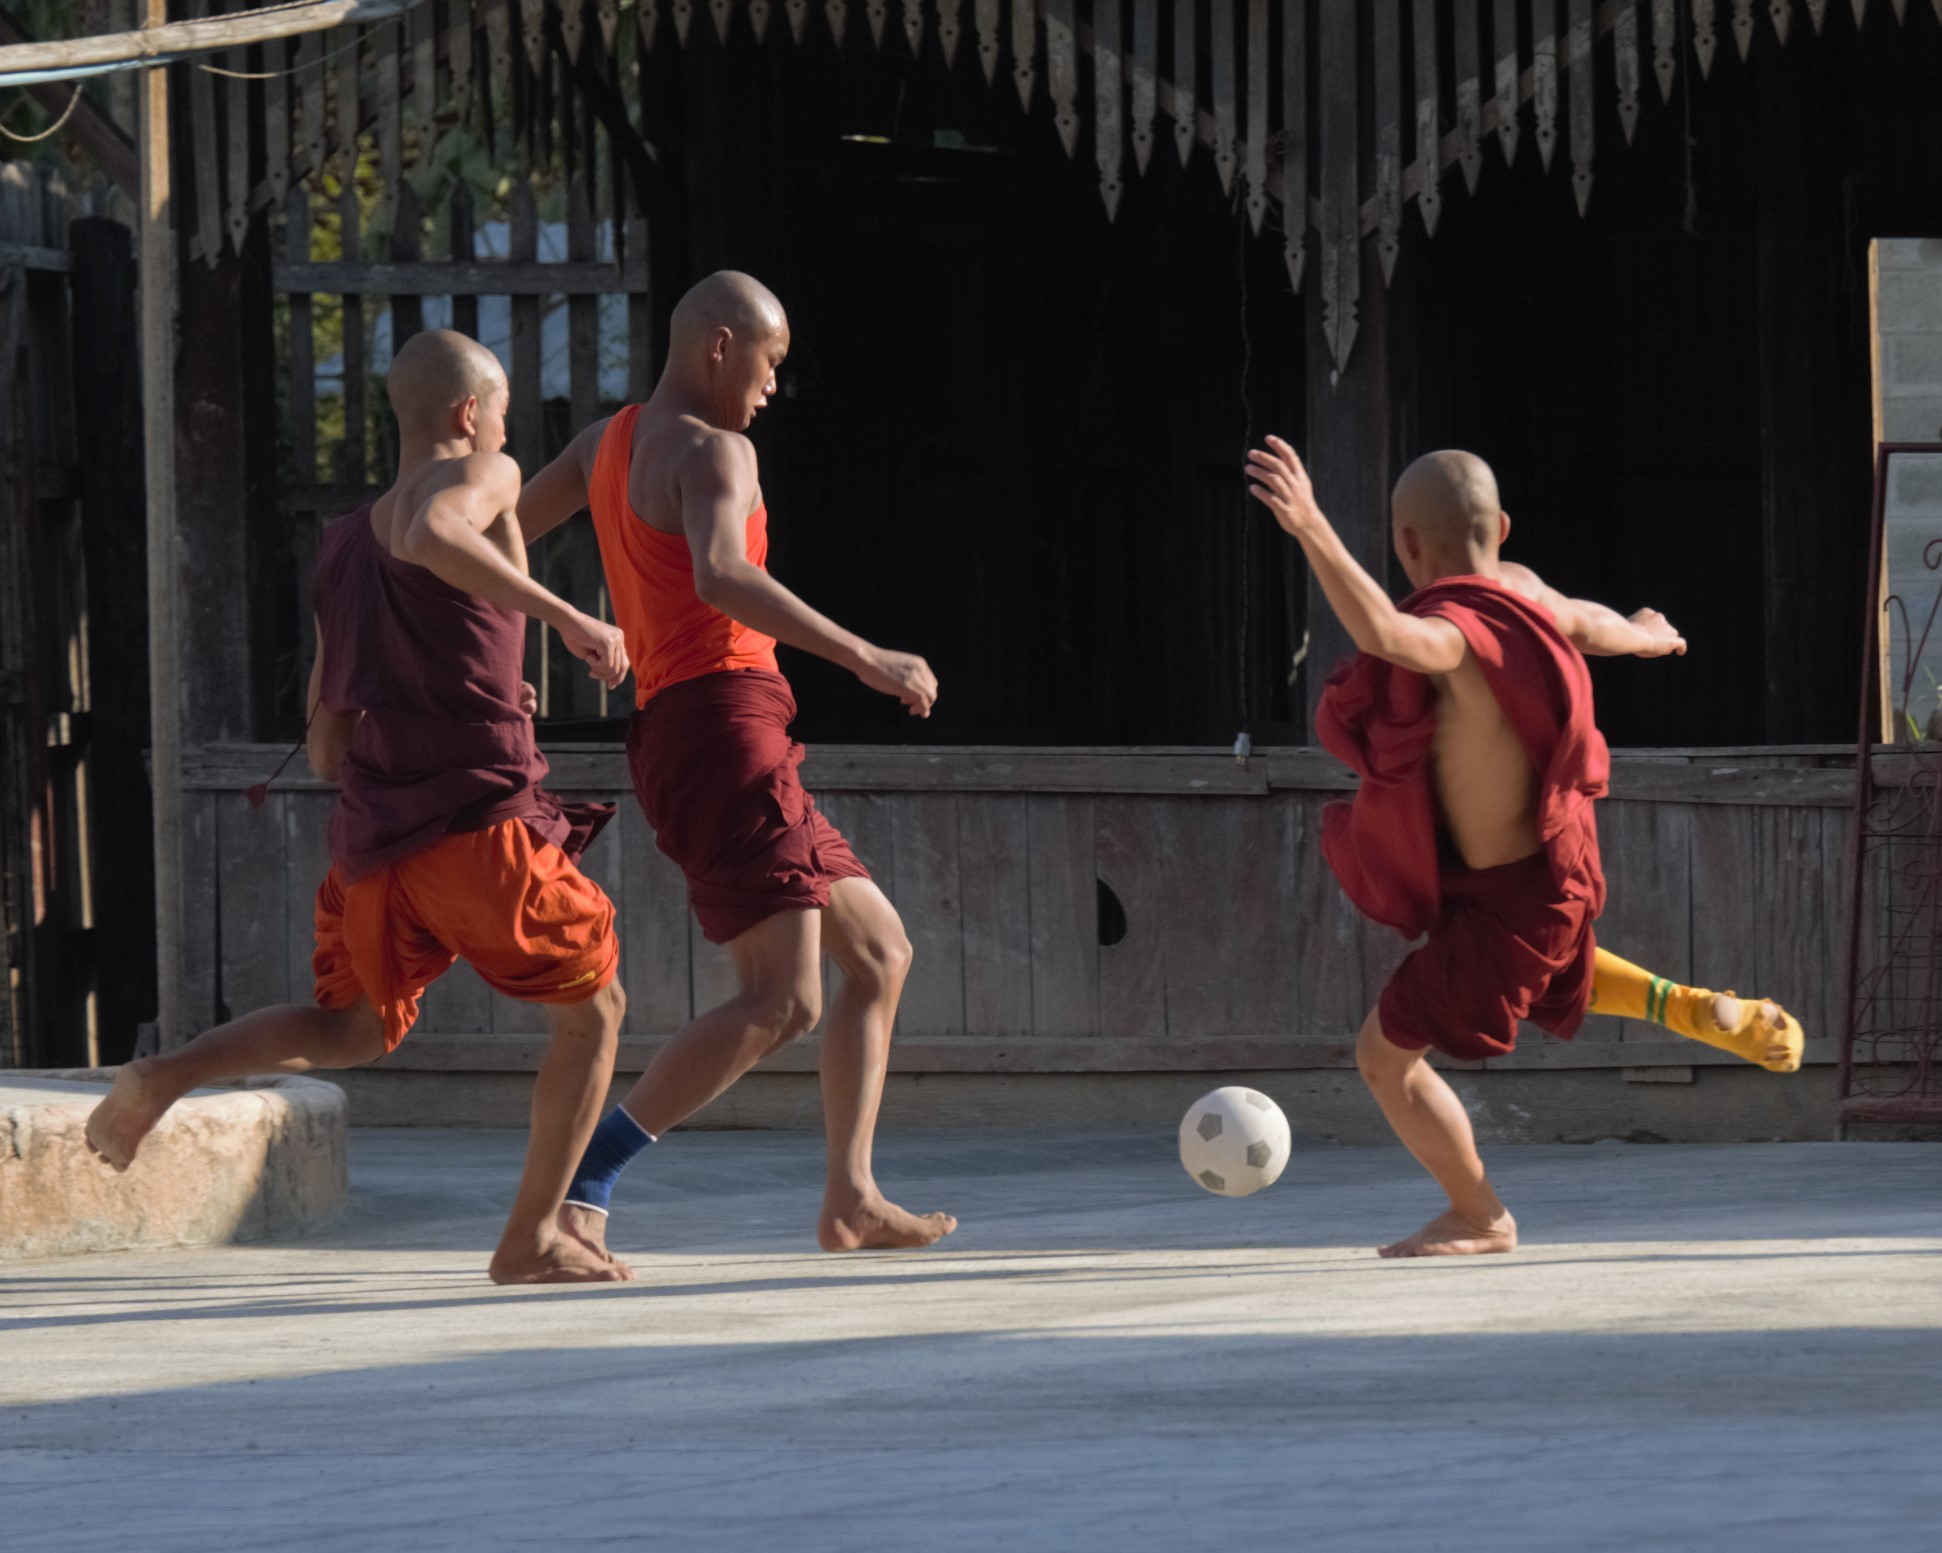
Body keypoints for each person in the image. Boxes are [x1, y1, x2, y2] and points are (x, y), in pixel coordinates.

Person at [86, 330, 636, 1285]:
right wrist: (571, 617)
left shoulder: (342, 543)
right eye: (501, 412)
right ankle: (531, 1234)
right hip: (478, 829)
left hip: (377, 846)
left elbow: (329, 739)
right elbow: (437, 536)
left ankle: (160, 1077)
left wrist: (488, 691)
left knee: (352, 1031)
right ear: (470, 415)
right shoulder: (486, 473)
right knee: (596, 1013)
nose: (504, 431)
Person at [1246, 441, 1803, 1259]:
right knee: (1553, 972)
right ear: (1501, 527)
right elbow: (1598, 625)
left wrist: (1310, 526)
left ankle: (1480, 1215)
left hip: (1512, 891)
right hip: (1551, 873)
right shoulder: (1532, 596)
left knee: (1383, 1058)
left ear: (1406, 546)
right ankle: (1685, 1007)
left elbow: (1387, 632)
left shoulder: (1454, 632)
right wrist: (1648, 635)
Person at [517, 272, 957, 1257]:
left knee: (879, 953)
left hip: (691, 735)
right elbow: (722, 571)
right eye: (770, 360)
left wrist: (531, 625)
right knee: (783, 997)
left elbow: (496, 532)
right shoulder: (718, 451)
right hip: (724, 727)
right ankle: (583, 1186)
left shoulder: (605, 444)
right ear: (720, 343)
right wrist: (864, 654)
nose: (772, 385)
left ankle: (849, 1197)